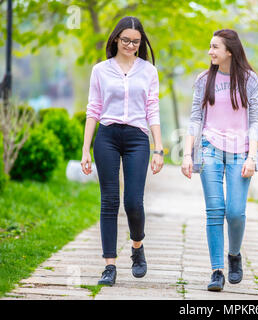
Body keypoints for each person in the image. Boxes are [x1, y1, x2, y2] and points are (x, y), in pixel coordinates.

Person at [81, 16, 164, 286]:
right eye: (126, 40)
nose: (131, 45)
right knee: (109, 201)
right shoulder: (100, 70)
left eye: (136, 41)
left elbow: (153, 109)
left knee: (133, 201)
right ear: (116, 38)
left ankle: (137, 246)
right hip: (106, 135)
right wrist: (85, 150)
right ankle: (109, 266)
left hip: (137, 138)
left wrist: (159, 148)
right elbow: (93, 109)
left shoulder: (149, 71)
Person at [181, 29, 258, 292]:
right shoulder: (204, 79)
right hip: (209, 148)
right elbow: (195, 119)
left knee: (236, 212)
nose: (210, 51)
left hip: (241, 152)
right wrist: (186, 153)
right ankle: (217, 271)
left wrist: (252, 157)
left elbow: (254, 123)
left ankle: (234, 255)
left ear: (229, 50)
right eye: (209, 46)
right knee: (215, 210)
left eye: (215, 47)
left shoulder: (250, 81)